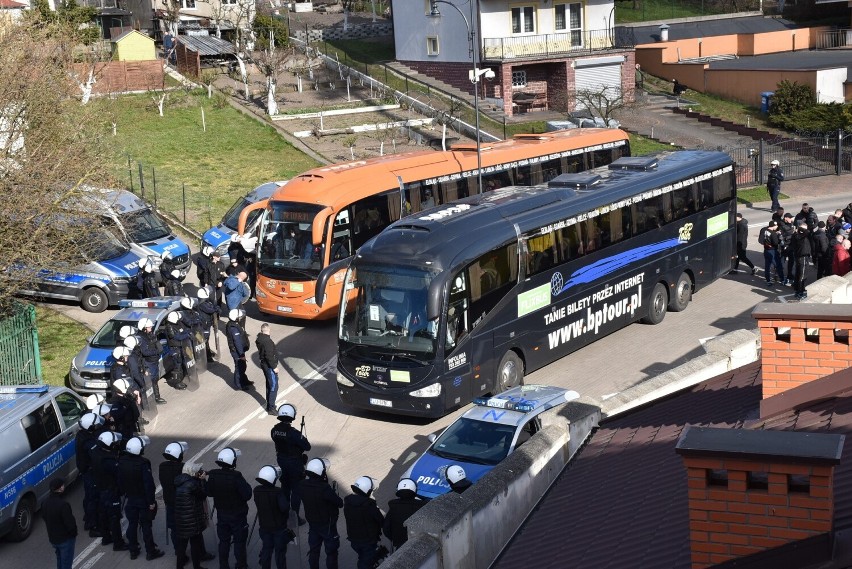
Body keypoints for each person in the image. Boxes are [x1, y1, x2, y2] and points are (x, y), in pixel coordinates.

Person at [117, 436, 165, 561]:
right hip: (142, 499)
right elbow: (148, 484)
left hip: (130, 498)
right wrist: (151, 502)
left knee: (132, 524)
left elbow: (120, 480)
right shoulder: (143, 463)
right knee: (146, 525)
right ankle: (150, 551)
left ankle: (133, 550)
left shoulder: (122, 461)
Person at [207, 447, 252, 569]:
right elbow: (247, 494)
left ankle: (224, 566)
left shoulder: (213, 475)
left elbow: (209, 492)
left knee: (224, 542)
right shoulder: (236, 477)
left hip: (222, 514)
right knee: (239, 542)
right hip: (238, 516)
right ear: (232, 461)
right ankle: (241, 565)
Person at [271, 403, 310, 523]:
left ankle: (284, 513)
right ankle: (295, 517)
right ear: (292, 416)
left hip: (281, 461)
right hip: (294, 463)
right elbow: (307, 446)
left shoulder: (274, 430)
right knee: (296, 490)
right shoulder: (293, 433)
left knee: (285, 488)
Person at [301, 458, 342, 569]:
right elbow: (339, 503)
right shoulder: (324, 489)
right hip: (327, 526)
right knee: (331, 552)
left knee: (314, 551)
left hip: (313, 524)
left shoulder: (303, 485)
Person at [90, 431, 128, 550]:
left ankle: (106, 537)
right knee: (114, 517)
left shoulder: (95, 452)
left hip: (100, 488)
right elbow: (119, 476)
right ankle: (118, 543)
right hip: (110, 491)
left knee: (103, 514)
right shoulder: (109, 461)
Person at [253, 466, 295, 569]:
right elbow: (285, 507)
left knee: (266, 550)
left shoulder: (256, 490)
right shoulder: (277, 492)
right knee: (280, 553)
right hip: (279, 528)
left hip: (264, 527)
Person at [174, 462, 211, 569]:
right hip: (193, 521)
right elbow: (203, 494)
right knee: (195, 545)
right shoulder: (192, 484)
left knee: (181, 546)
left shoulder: (179, 482)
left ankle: (179, 567)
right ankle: (197, 567)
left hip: (181, 520)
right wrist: (203, 480)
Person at [343, 476, 384, 569]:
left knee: (363, 556)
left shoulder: (348, 502)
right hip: (368, 542)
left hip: (353, 539)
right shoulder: (369, 505)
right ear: (368, 491)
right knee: (365, 563)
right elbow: (381, 520)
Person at [76, 413, 104, 537]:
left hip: (86, 470)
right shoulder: (89, 442)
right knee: (93, 498)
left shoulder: (82, 435)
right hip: (90, 472)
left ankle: (88, 518)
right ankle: (93, 525)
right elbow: (96, 457)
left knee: (88, 497)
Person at [43, 477, 77, 569]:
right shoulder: (63, 505)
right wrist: (73, 534)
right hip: (65, 540)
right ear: (61, 488)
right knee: (66, 564)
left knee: (60, 560)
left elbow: (44, 517)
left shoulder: (45, 503)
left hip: (53, 539)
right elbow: (70, 524)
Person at [382, 478, 424, 550]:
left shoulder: (393, 507)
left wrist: (394, 538)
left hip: (399, 544)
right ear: (415, 490)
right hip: (419, 542)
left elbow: (386, 529)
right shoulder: (422, 506)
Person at [256, 323, 281, 414]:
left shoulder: (260, 339)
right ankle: (271, 408)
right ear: (268, 330)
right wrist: (274, 367)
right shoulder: (267, 342)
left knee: (269, 384)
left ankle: (269, 404)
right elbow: (269, 356)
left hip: (264, 364)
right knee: (274, 386)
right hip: (269, 366)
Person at [164, 310, 192, 390]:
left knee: (182, 365)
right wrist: (186, 335)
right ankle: (177, 383)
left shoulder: (177, 324)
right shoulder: (169, 327)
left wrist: (187, 332)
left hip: (181, 347)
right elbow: (177, 337)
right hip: (175, 349)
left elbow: (183, 330)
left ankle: (182, 379)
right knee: (177, 367)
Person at [226, 308, 252, 390]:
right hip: (237, 351)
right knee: (239, 367)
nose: (240, 318)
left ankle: (244, 380)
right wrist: (241, 355)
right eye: (239, 317)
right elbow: (237, 342)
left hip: (238, 350)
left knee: (243, 366)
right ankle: (239, 385)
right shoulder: (233, 328)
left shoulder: (233, 324)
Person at [197, 287, 219, 361]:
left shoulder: (204, 302)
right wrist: (216, 309)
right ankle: (207, 356)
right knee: (205, 340)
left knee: (206, 340)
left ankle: (208, 353)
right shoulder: (202, 304)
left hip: (206, 323)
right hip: (204, 324)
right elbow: (210, 310)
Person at [761, 221, 785, 287]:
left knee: (767, 266)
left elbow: (762, 239)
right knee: (778, 265)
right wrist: (779, 237)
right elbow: (776, 243)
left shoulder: (765, 231)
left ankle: (768, 280)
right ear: (773, 226)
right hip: (773, 251)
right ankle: (782, 280)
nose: (777, 227)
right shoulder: (773, 234)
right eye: (776, 225)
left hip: (766, 250)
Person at [778, 212, 795, 285]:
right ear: (786, 218)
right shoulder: (783, 224)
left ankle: (789, 274)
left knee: (791, 261)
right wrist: (792, 227)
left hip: (790, 245)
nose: (791, 219)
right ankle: (780, 275)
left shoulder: (788, 224)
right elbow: (788, 232)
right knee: (782, 260)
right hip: (785, 246)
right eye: (789, 218)